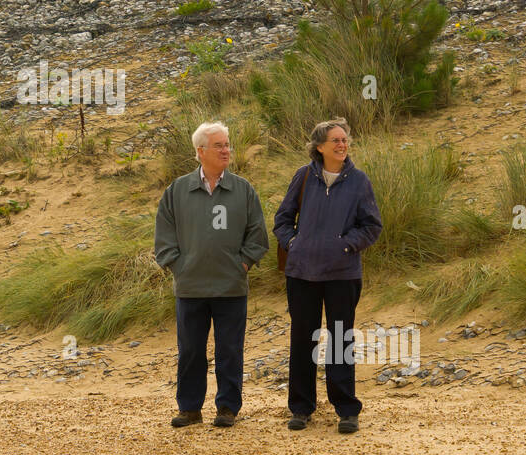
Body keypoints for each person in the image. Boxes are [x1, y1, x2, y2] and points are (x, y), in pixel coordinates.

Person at [155, 121, 269, 428]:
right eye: (219, 145)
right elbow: (164, 237)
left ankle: (227, 408)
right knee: (190, 351)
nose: (226, 150)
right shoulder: (177, 190)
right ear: (200, 151)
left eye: (228, 144)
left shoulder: (243, 189)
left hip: (231, 287)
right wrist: (177, 265)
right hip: (190, 288)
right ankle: (189, 409)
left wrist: (242, 264)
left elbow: (258, 235)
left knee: (229, 350)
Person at [273, 118, 382, 435]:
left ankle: (347, 410)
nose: (342, 145)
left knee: (340, 340)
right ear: (319, 147)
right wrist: (293, 243)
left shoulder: (359, 181)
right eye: (335, 140)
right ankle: (301, 409)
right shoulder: (304, 176)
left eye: (344, 139)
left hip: (342, 274)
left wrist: (346, 246)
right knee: (303, 339)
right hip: (302, 273)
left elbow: (372, 226)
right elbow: (282, 219)